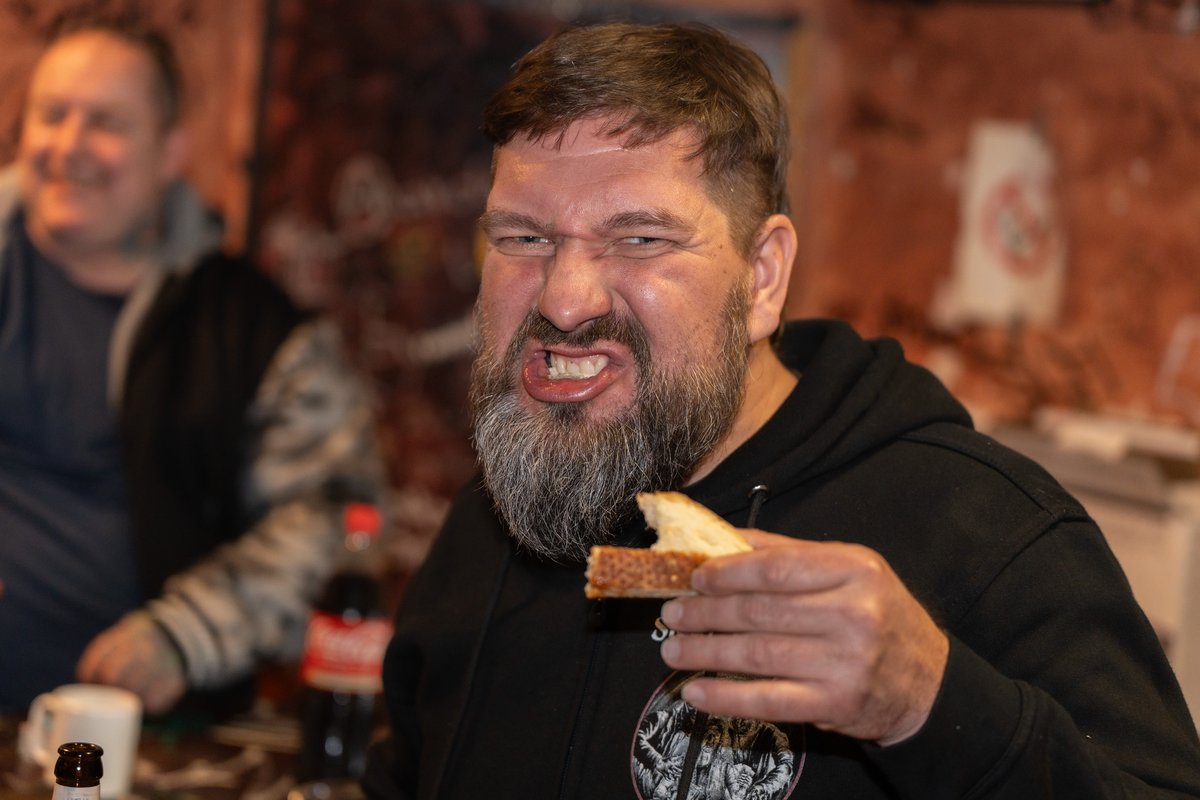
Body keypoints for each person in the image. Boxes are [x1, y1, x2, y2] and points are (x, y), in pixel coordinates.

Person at [365, 21, 1200, 799]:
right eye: (524, 238)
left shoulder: (989, 537)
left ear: (762, 278)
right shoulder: (501, 516)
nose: (565, 298)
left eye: (640, 238)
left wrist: (932, 704)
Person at [0, 20, 384, 715]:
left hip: (152, 740)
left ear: (171, 152)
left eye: (106, 123)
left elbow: (335, 517)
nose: (69, 145)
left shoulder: (254, 328)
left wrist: (190, 633)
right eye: (51, 114)